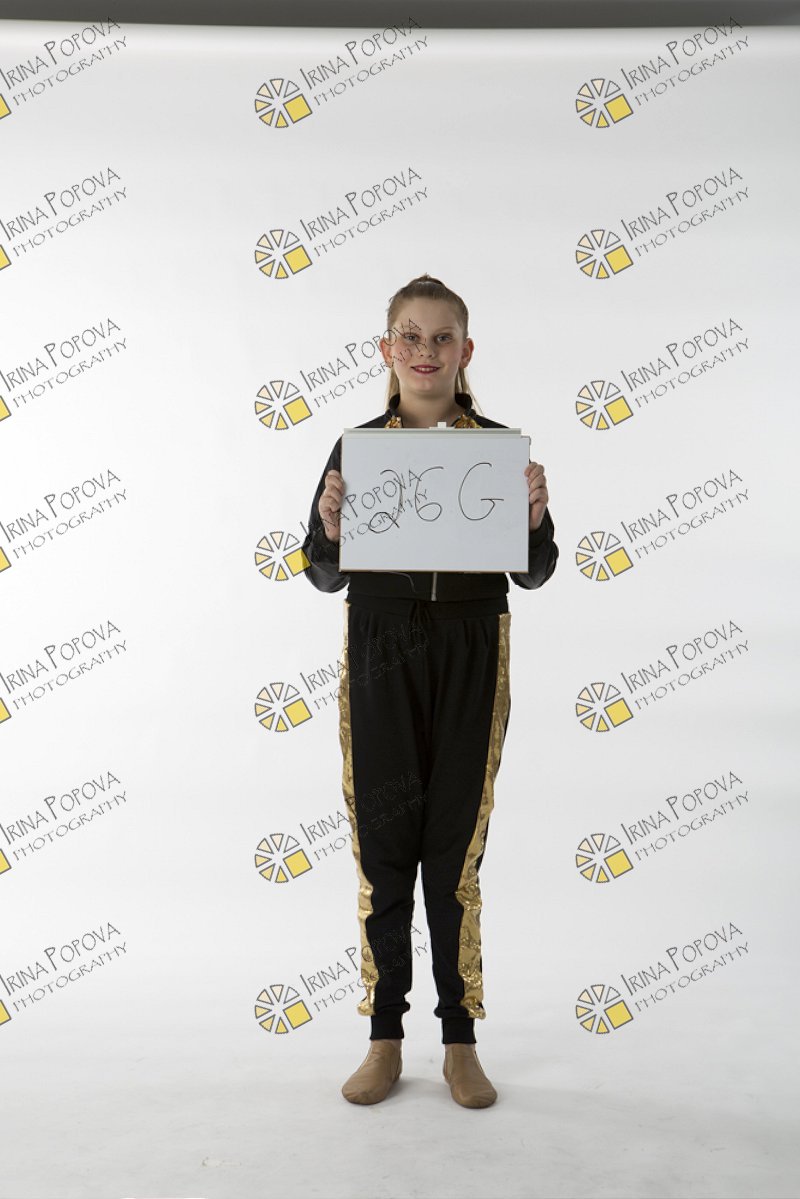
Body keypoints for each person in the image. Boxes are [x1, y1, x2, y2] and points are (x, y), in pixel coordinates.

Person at [300, 274, 558, 1108]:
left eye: (442, 337)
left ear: (465, 350)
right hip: (381, 648)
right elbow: (321, 572)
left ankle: (459, 1039)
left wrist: (534, 519)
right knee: (384, 851)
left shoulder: (501, 450)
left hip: (471, 648)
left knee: (454, 851)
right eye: (410, 336)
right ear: (386, 349)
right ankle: (384, 1036)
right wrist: (331, 530)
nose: (425, 351)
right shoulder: (356, 449)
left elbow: (537, 571)